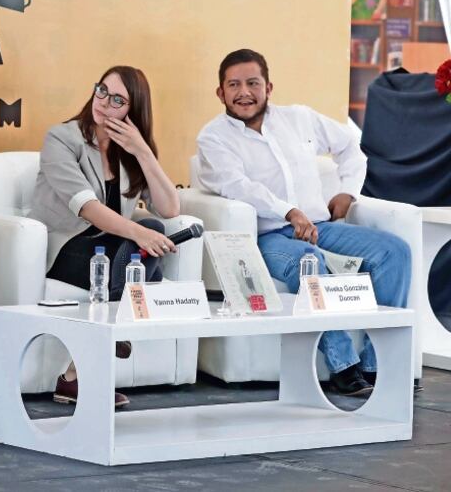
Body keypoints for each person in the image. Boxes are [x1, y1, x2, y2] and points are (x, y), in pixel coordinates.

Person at [197, 48, 411, 397]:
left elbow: (351, 147)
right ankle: (343, 367)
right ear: (220, 92)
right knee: (306, 263)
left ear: (269, 86)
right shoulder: (213, 137)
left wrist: (348, 192)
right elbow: (238, 186)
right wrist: (288, 211)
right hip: (270, 237)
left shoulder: (299, 118)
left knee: (395, 252)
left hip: (321, 227)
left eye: (253, 82)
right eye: (233, 85)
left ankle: (379, 364)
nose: (244, 92)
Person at [30, 66, 181, 408]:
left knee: (153, 232)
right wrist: (140, 233)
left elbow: (170, 208)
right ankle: (118, 334)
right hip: (67, 248)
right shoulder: (61, 138)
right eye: (101, 91)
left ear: (132, 111)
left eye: (118, 100)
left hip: (113, 253)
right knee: (146, 243)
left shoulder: (127, 151)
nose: (104, 103)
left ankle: (76, 374)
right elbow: (86, 207)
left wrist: (143, 150)